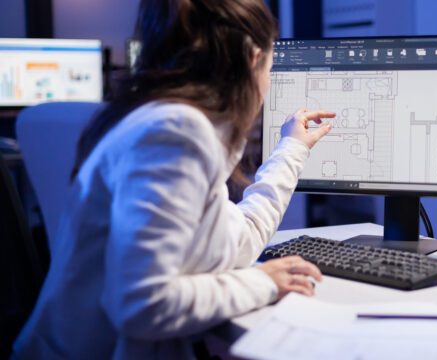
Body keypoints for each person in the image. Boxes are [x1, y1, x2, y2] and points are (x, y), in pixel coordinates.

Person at [12, 0, 335, 358]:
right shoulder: (176, 133)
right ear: (252, 60)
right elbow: (143, 305)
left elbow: (238, 238)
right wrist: (263, 282)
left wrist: (292, 147)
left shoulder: (163, 122)